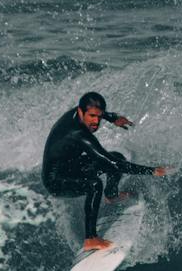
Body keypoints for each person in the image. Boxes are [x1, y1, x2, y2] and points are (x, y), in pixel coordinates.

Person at [41, 91, 167, 251]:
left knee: (117, 156)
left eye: (99, 117)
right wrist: (153, 171)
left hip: (71, 165)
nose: (95, 121)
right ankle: (91, 239)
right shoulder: (78, 134)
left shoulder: (79, 112)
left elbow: (97, 113)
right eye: (92, 116)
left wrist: (113, 118)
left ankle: (111, 195)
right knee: (95, 183)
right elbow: (112, 164)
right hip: (56, 181)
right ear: (81, 112)